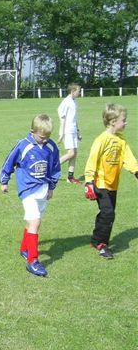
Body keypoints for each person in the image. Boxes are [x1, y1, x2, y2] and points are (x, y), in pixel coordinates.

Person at [0, 114, 61, 277]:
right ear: (32, 131)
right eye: (42, 136)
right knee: (35, 221)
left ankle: (24, 249)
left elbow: (55, 168)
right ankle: (32, 261)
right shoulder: (23, 145)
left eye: (48, 136)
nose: (45, 139)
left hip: (43, 188)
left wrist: (51, 187)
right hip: (27, 189)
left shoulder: (51, 147)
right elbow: (9, 162)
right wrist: (4, 181)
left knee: (32, 221)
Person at [84, 103, 138, 259]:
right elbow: (92, 160)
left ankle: (96, 240)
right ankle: (102, 244)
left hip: (113, 184)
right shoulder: (102, 139)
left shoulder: (121, 139)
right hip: (100, 184)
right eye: (123, 120)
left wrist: (136, 171)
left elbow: (128, 157)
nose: (126, 123)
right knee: (108, 213)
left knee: (106, 213)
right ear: (113, 121)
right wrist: (88, 182)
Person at [57, 83, 82, 184]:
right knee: (70, 153)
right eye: (78, 91)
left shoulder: (74, 101)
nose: (79, 93)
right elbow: (62, 117)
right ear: (72, 91)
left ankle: (70, 177)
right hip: (67, 131)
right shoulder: (66, 102)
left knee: (74, 154)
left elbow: (74, 118)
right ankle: (52, 166)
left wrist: (78, 131)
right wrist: (61, 132)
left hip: (73, 130)